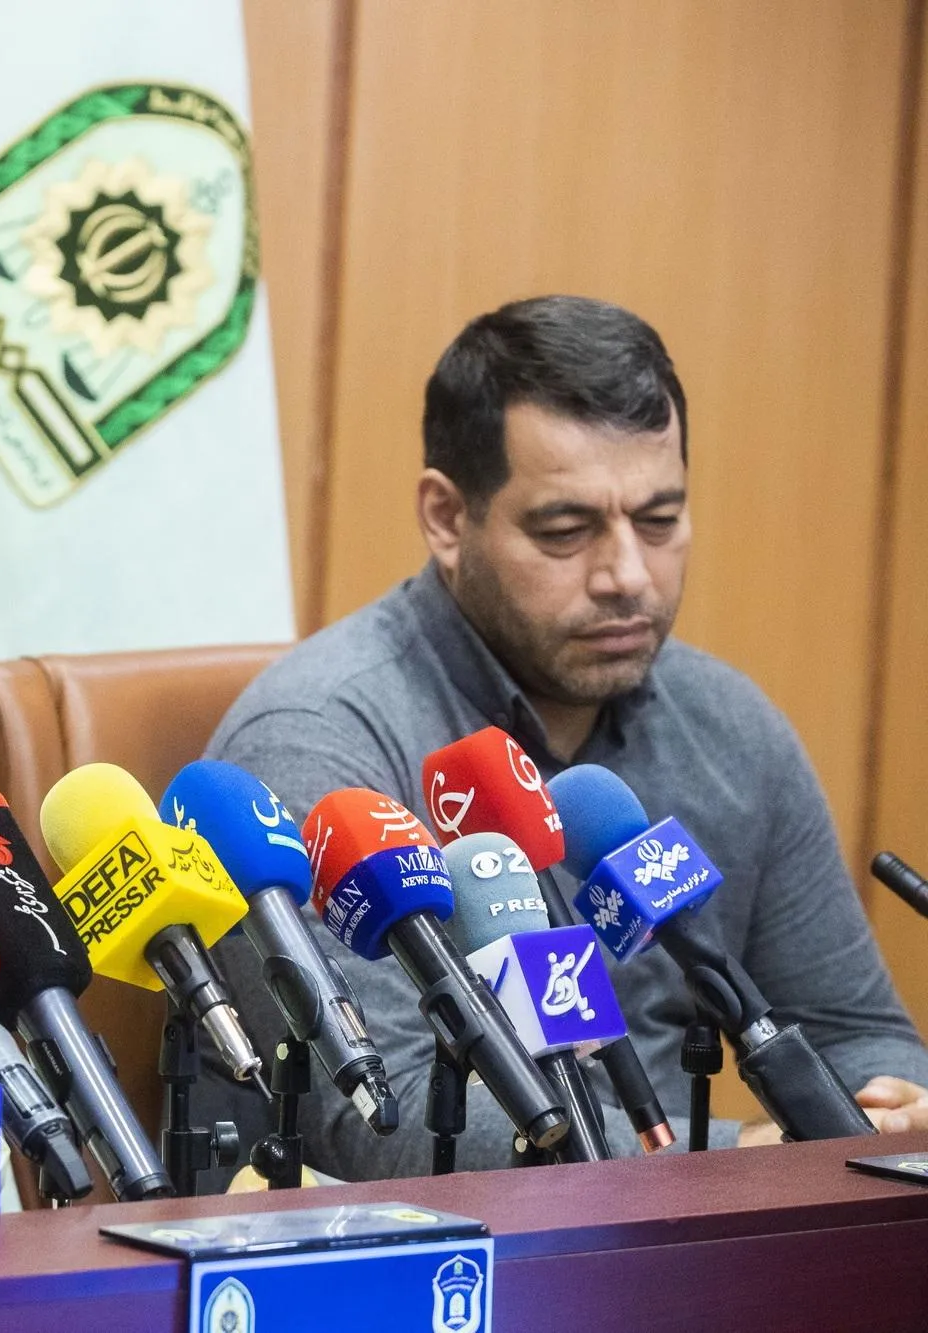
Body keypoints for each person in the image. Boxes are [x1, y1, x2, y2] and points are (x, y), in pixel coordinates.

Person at [204, 295, 928, 1179]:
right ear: (447, 518)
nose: (627, 575)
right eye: (566, 530)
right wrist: (736, 1157)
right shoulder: (316, 741)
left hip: (717, 1223)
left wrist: (887, 1110)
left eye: (658, 520)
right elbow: (377, 1116)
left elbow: (855, 1029)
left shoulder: (732, 725)